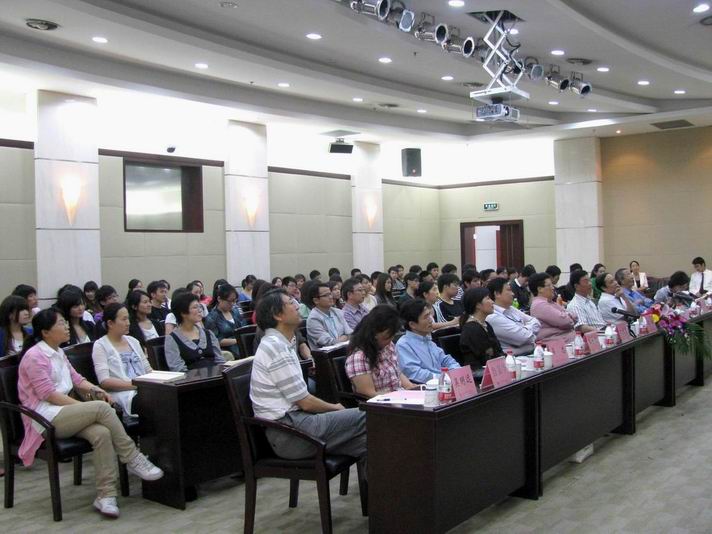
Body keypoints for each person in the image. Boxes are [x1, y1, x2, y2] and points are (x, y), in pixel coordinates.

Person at [17, 308, 163, 518]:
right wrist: (84, 407)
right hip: (43, 418)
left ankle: (106, 495)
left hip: (65, 412)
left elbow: (77, 380)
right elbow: (49, 395)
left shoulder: (58, 352)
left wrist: (98, 391)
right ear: (45, 332)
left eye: (65, 322)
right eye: (60, 323)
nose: (66, 327)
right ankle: (132, 457)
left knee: (102, 434)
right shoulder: (35, 356)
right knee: (101, 408)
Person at [250, 289, 367, 462]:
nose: (298, 306)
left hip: (297, 424)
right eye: (291, 303)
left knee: (369, 442)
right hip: (289, 432)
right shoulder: (275, 347)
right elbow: (305, 402)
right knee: (371, 415)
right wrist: (335, 407)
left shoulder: (284, 342)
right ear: (277, 315)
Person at [92, 303, 152, 417]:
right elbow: (104, 381)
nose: (128, 323)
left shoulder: (133, 341)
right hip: (124, 394)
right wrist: (137, 385)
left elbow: (148, 370)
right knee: (156, 401)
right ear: (110, 323)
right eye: (124, 319)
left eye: (128, 318)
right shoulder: (100, 345)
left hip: (145, 389)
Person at [345, 304, 416, 398]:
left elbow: (397, 372)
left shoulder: (388, 346)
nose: (390, 340)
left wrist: (411, 388)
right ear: (374, 333)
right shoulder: (359, 357)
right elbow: (368, 393)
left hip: (400, 396)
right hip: (382, 402)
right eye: (387, 337)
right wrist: (397, 397)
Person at [396, 299, 460, 383]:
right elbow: (415, 373)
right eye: (426, 317)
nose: (431, 320)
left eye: (430, 315)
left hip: (443, 383)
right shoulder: (403, 345)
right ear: (412, 324)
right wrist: (443, 378)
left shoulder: (428, 340)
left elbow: (446, 360)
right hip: (426, 387)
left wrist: (456, 371)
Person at [164, 292, 224, 371]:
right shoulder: (172, 339)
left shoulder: (208, 334)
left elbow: (220, 361)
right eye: (195, 307)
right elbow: (178, 369)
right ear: (183, 313)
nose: (200, 310)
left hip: (217, 376)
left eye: (199, 306)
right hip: (190, 378)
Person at [486, 277, 541, 355]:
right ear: (497, 294)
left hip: (530, 353)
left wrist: (524, 330)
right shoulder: (493, 317)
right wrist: (529, 332)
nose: (513, 294)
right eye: (509, 290)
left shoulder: (510, 308)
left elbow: (536, 322)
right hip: (514, 358)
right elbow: (522, 338)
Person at [459, 287, 503, 370]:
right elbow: (487, 356)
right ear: (478, 305)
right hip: (479, 371)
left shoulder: (486, 325)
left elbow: (498, 351)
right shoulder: (472, 329)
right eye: (488, 298)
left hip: (493, 368)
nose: (492, 302)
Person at [529, 273, 577, 344]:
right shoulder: (539, 305)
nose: (553, 288)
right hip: (557, 345)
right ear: (540, 289)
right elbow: (565, 321)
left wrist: (567, 316)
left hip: (568, 341)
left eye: (552, 285)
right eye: (549, 285)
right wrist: (568, 316)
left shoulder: (551, 302)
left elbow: (575, 317)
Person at [205, 283, 246, 360]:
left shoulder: (235, 311)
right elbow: (215, 340)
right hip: (227, 353)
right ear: (219, 299)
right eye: (230, 301)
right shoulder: (212, 318)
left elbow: (244, 328)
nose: (233, 304)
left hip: (242, 347)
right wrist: (237, 340)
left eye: (235, 301)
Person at [306, 283, 353, 350]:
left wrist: (345, 337)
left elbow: (350, 333)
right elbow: (328, 342)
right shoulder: (313, 319)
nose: (331, 297)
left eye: (330, 294)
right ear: (316, 300)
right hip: (328, 354)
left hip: (345, 349)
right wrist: (345, 337)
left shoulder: (337, 312)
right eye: (326, 295)